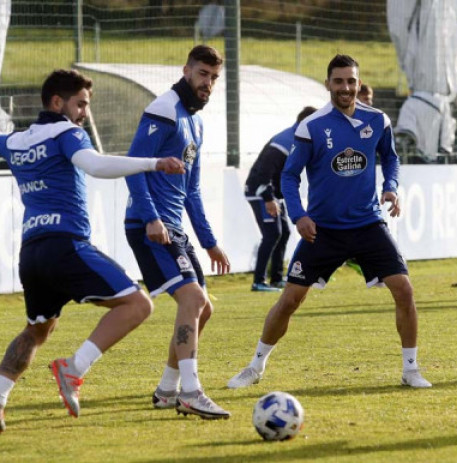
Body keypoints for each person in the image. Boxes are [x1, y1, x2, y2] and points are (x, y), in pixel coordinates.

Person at [227, 54, 432, 390]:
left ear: (357, 82)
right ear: (328, 85)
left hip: (368, 225)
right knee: (290, 300)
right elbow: (290, 176)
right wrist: (299, 216)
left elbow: (391, 160)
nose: (346, 88)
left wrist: (391, 188)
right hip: (323, 230)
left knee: (404, 290)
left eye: (351, 81)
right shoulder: (312, 126)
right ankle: (255, 366)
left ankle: (411, 369)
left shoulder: (378, 120)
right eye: (339, 82)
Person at [0, 69, 185, 432]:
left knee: (38, 329)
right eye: (80, 103)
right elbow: (95, 164)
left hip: (31, 253)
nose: (84, 112)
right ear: (58, 102)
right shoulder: (67, 133)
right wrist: (154, 163)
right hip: (65, 245)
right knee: (138, 304)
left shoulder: (14, 141)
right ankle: (73, 368)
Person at [124, 45, 231, 420]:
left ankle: (168, 389)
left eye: (215, 78)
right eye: (203, 74)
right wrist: (150, 218)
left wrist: (210, 241)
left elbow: (193, 189)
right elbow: (134, 166)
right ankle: (191, 392)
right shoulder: (164, 109)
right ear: (185, 70)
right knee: (193, 301)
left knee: (203, 308)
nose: (208, 83)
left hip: (174, 228)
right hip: (149, 225)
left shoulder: (195, 121)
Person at [245, 106, 316, 292]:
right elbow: (263, 172)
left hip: (273, 194)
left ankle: (276, 278)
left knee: (283, 232)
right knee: (272, 234)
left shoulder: (297, 138)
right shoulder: (284, 141)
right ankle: (258, 281)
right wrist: (268, 198)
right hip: (260, 192)